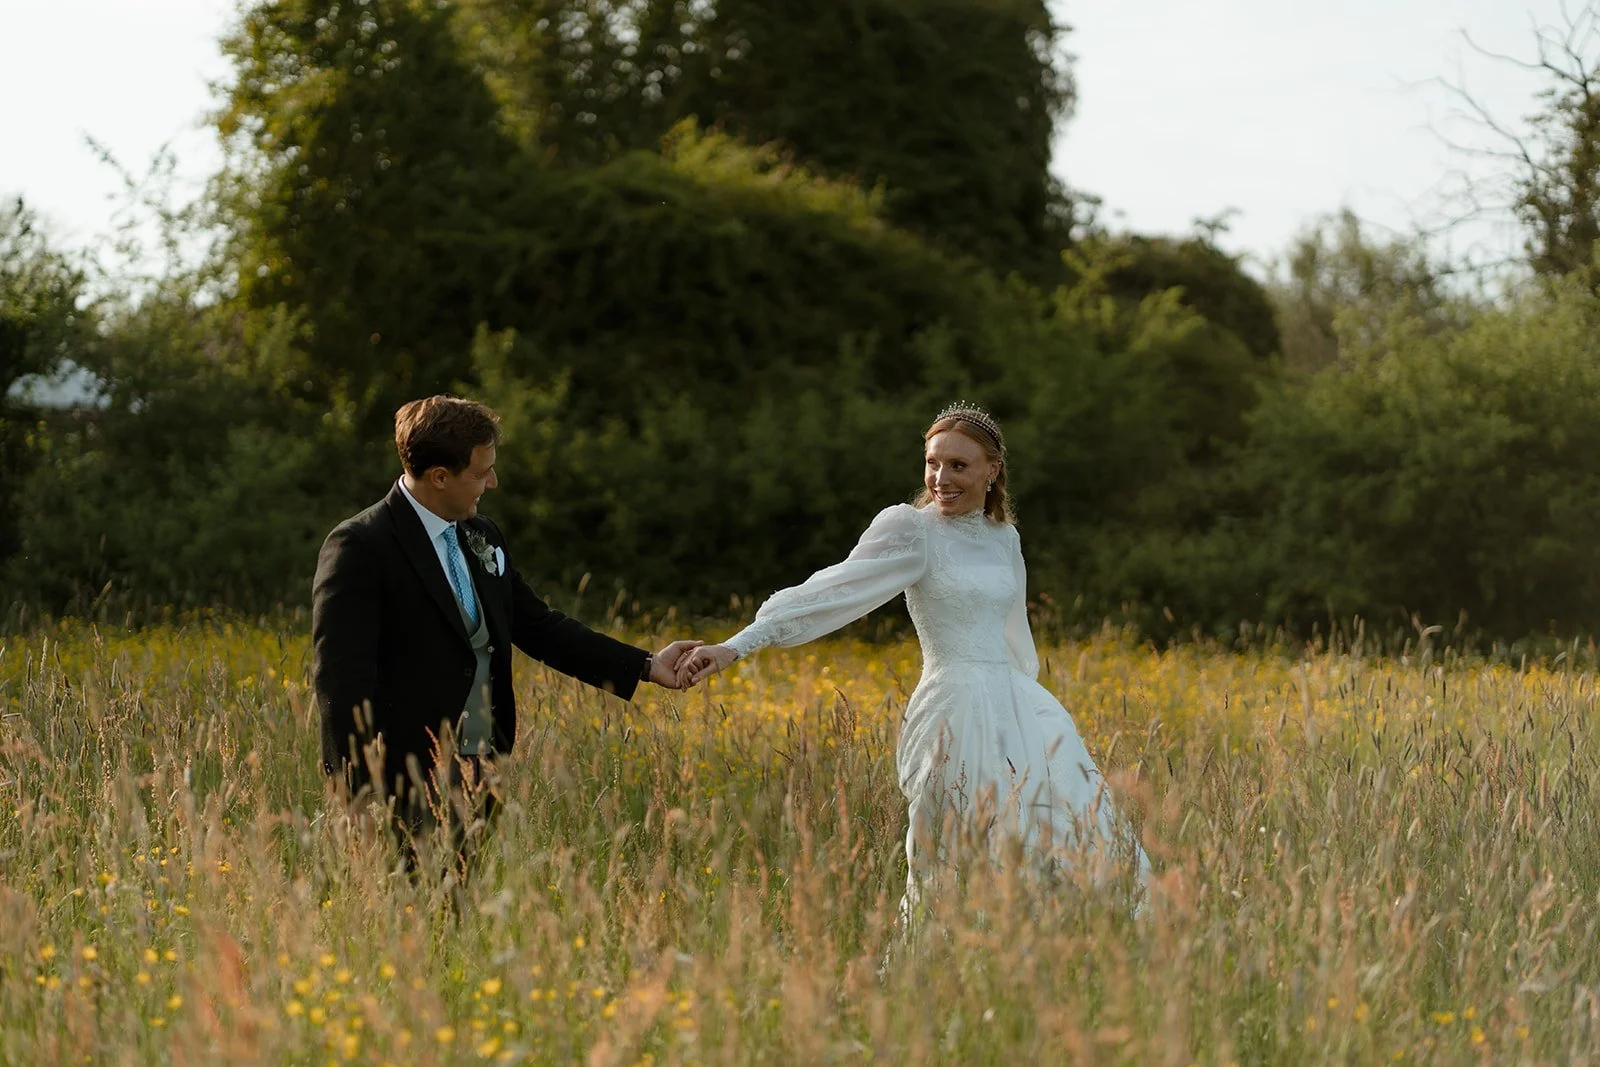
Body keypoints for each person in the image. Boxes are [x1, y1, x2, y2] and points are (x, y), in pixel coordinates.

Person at [679, 403, 1149, 915]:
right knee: (956, 851)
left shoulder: (1004, 538)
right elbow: (833, 590)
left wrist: (1027, 711)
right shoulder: (911, 529)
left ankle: (1041, 961)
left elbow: (1015, 631)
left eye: (958, 466)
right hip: (953, 708)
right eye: (933, 463)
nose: (940, 478)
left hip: (1017, 708)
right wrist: (737, 645)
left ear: (992, 471)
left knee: (1054, 834)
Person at [312, 395, 700, 869]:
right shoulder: (360, 545)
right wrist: (355, 793)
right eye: (481, 473)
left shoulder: (482, 534)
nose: (492, 482)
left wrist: (643, 665)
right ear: (439, 477)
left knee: (455, 915)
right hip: (403, 774)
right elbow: (340, 679)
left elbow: (537, 626)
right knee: (408, 920)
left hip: (481, 765)